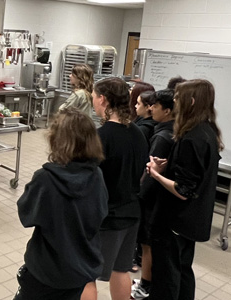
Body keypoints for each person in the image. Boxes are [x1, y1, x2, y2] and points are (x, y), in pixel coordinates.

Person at [15, 108, 107, 300]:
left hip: (47, 270)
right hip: (79, 269)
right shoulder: (96, 175)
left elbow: (26, 215)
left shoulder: (46, 178)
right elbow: (101, 213)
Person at [147, 79, 223, 300]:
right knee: (183, 270)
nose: (174, 100)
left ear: (190, 102)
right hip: (191, 220)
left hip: (175, 220)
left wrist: (157, 175)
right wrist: (168, 165)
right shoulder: (206, 130)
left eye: (178, 98)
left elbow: (183, 190)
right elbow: (195, 173)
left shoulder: (192, 138)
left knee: (167, 275)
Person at [83, 77, 149, 300]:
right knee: (120, 270)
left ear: (103, 99)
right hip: (131, 213)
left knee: (87, 274)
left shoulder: (101, 137)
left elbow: (88, 179)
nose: (92, 102)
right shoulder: (138, 133)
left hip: (107, 218)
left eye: (93, 97)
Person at [131, 88, 176, 300]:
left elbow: (151, 174)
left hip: (151, 200)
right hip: (158, 200)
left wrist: (139, 195)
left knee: (147, 244)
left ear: (167, 110)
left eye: (155, 106)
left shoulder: (162, 137)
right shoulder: (166, 130)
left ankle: (145, 285)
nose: (151, 108)